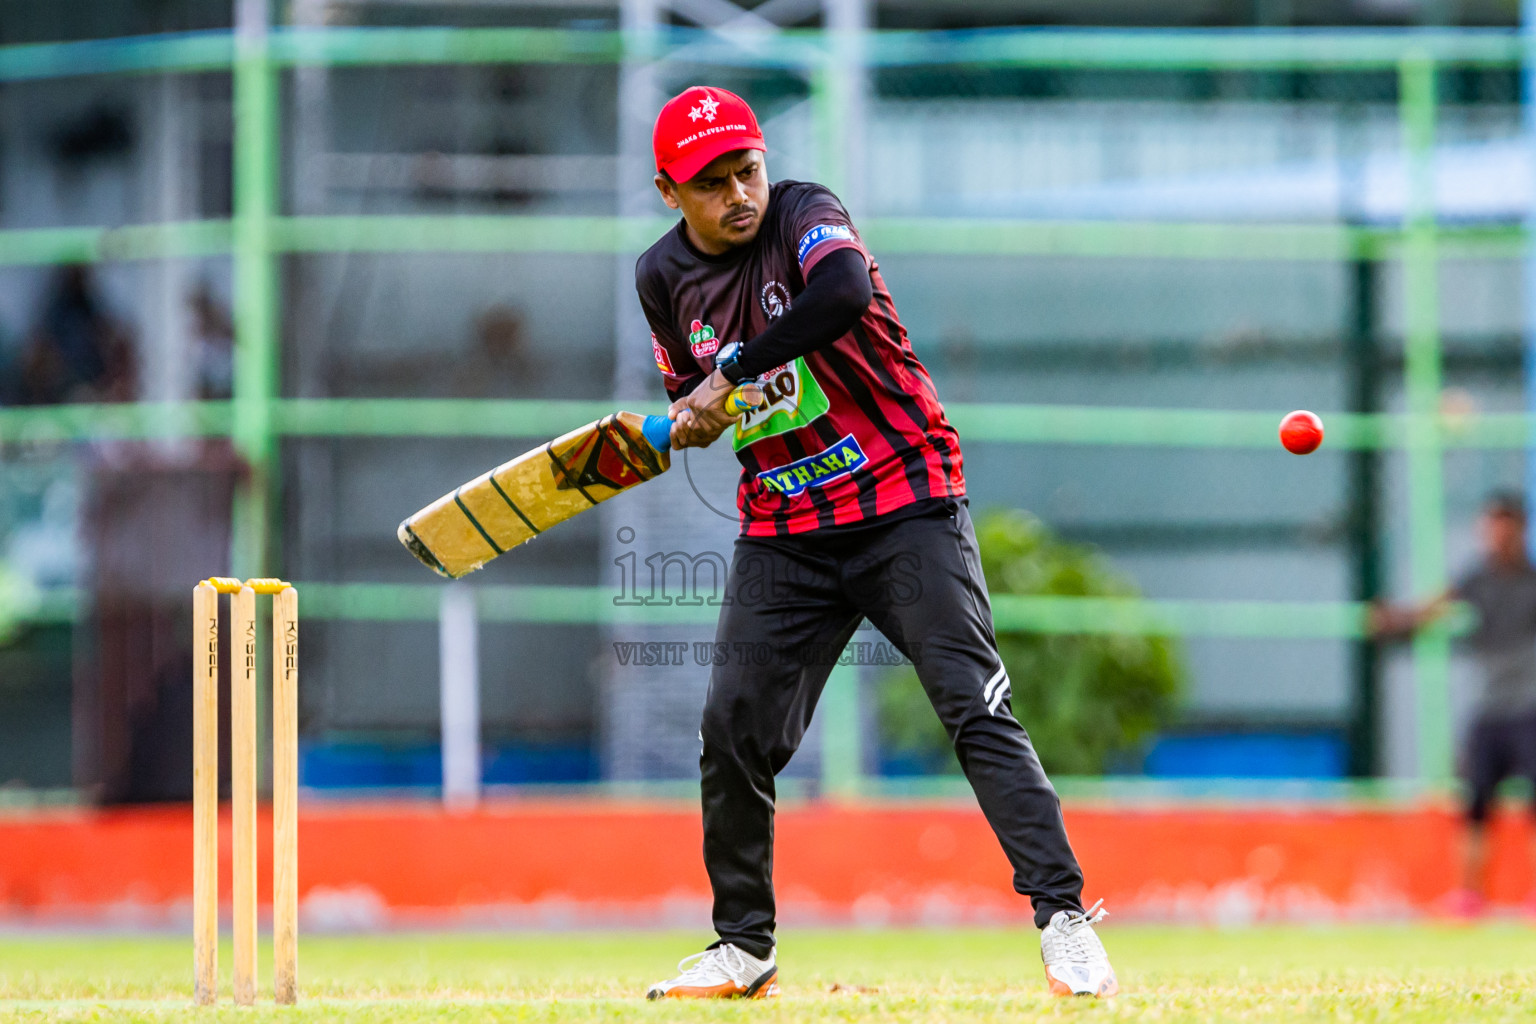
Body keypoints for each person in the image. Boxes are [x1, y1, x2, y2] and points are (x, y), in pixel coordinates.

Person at [635, 86, 1116, 1001]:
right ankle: (744, 947)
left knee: (974, 705)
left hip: (906, 501)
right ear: (670, 193)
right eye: (712, 184)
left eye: (748, 170)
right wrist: (695, 415)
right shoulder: (661, 277)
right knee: (729, 728)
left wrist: (729, 372)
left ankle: (1064, 919)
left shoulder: (807, 213)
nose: (739, 194)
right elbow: (692, 392)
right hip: (785, 527)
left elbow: (844, 295)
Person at [1372, 490, 1536, 915]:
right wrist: (1396, 620)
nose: (1495, 535)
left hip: (1530, 709)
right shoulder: (1476, 579)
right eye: (1489, 526)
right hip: (1489, 709)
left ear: (1519, 528)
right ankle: (1469, 896)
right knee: (1475, 806)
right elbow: (1432, 610)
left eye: (1503, 525)